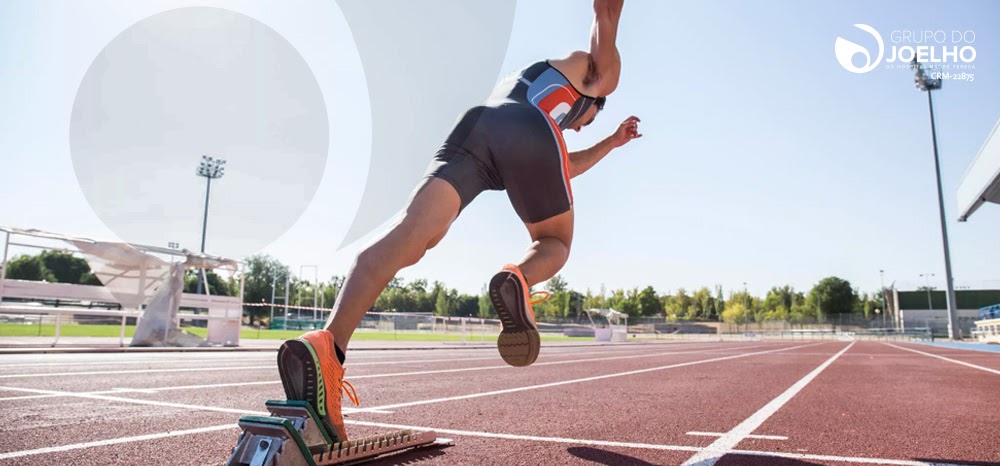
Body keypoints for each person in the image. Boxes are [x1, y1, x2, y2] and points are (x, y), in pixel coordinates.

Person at [276, 0, 639, 443]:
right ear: (594, 98)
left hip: (478, 125)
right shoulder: (602, 78)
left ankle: (328, 348)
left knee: (412, 235)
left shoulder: (536, 88)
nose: (579, 128)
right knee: (555, 240)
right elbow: (606, 15)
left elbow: (563, 164)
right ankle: (518, 279)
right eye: (588, 120)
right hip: (525, 131)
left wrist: (612, 143)